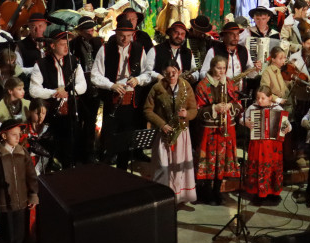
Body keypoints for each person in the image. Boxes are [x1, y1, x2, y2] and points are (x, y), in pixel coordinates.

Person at [91, 16, 156, 170]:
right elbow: (95, 75)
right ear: (116, 33)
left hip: (131, 102)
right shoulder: (106, 49)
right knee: (109, 137)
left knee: (127, 139)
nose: (125, 39)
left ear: (133, 34)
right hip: (112, 101)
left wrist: (138, 80)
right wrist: (111, 85)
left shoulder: (139, 49)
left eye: (128, 36)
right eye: (122, 35)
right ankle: (106, 171)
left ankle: (122, 171)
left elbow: (148, 74)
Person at [29, 31, 87, 169]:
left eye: (67, 44)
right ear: (53, 46)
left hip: (71, 111)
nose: (66, 47)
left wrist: (68, 92)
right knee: (53, 147)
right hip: (51, 113)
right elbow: (33, 90)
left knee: (70, 145)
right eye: (62, 44)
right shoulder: (41, 64)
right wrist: (55, 93)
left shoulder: (74, 61)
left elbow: (82, 85)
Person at [144, 62, 198, 204]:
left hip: (181, 132)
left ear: (179, 71)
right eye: (168, 73)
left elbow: (194, 109)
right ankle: (162, 196)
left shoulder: (186, 86)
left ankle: (179, 196)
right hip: (164, 132)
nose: (171, 76)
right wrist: (162, 124)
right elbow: (147, 110)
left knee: (179, 165)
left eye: (174, 72)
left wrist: (187, 114)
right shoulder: (157, 88)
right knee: (162, 165)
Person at [194, 55, 242, 205]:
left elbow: (238, 104)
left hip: (227, 129)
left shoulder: (229, 83)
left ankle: (217, 191)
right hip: (210, 130)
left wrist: (230, 106)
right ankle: (207, 192)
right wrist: (214, 108)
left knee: (222, 161)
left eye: (224, 68)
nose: (221, 72)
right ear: (212, 67)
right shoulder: (203, 85)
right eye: (218, 68)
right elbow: (197, 110)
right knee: (209, 161)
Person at [241, 86, 291, 205]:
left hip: (274, 145)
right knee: (258, 167)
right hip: (258, 144)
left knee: (273, 168)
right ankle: (259, 193)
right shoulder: (253, 108)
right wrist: (246, 122)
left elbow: (287, 124)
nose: (259, 101)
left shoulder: (277, 108)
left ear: (269, 98)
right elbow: (242, 119)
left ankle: (273, 193)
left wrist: (287, 128)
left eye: (263, 98)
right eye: (258, 98)